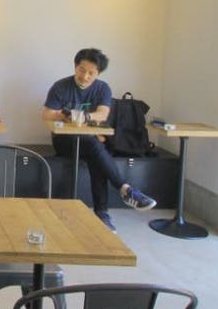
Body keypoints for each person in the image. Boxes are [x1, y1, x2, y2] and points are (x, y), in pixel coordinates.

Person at [42, 48, 155, 232]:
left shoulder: (102, 88)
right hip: (64, 141)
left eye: (91, 73)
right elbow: (47, 114)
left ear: (98, 73)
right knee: (94, 147)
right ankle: (120, 195)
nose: (85, 76)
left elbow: (103, 114)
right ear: (75, 66)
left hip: (91, 141)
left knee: (95, 152)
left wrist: (85, 117)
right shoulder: (61, 86)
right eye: (81, 70)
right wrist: (65, 115)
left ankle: (105, 211)